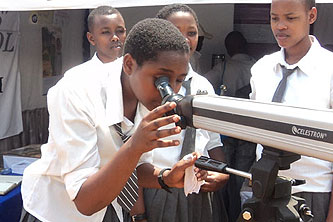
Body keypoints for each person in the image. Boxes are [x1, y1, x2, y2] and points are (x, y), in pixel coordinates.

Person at [20, 18, 206, 222]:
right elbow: (85, 201)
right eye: (161, 80)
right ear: (129, 64)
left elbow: (134, 167)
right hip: (59, 211)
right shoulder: (76, 91)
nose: (170, 91)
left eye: (179, 81)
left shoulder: (145, 95)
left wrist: (165, 177)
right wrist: (135, 146)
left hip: (110, 208)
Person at [249, 0, 333, 221]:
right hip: (264, 194)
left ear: (311, 16)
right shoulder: (261, 69)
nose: (280, 26)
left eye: (290, 18)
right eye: (274, 18)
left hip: (313, 196)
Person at [134, 4, 229, 222]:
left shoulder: (204, 85)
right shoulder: (147, 88)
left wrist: (223, 173)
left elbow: (213, 140)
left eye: (192, 32)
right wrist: (138, 213)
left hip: (198, 188)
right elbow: (132, 155)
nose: (185, 39)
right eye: (176, 32)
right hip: (158, 187)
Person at [204, 30, 257, 222]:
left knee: (225, 173)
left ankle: (225, 213)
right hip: (249, 134)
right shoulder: (257, 67)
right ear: (245, 45)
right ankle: (240, 215)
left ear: (228, 49)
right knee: (242, 178)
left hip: (226, 132)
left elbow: (204, 84)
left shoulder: (224, 67)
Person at [205, 31, 256, 98]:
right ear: (246, 45)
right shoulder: (258, 65)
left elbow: (203, 83)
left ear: (228, 50)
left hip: (229, 106)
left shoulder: (222, 68)